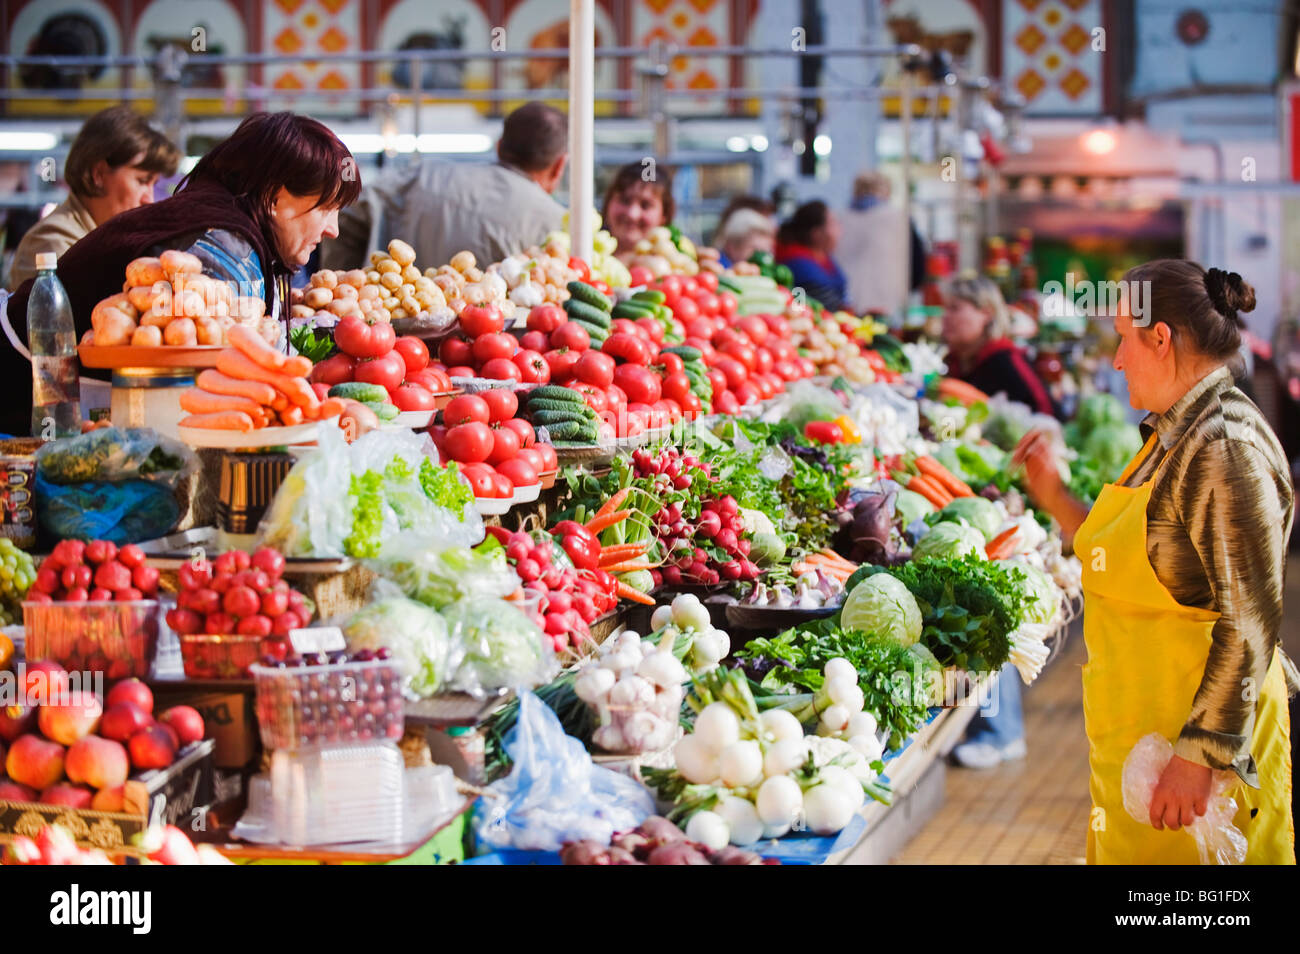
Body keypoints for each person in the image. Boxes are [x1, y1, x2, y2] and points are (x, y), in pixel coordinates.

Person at [1014, 260, 1296, 865]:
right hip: (1148, 746)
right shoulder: (1175, 432)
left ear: (1160, 338)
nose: (1117, 360)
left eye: (1123, 337)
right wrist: (1057, 498)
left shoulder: (1223, 445)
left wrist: (1201, 755)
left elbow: (1250, 619)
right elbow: (1145, 555)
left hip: (1197, 763)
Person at [2, 111, 359, 436]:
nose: (334, 230)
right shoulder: (222, 244)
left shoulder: (223, 222)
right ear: (275, 197)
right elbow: (213, 381)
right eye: (327, 208)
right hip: (22, 396)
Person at [320, 102, 567, 271]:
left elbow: (347, 213)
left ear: (500, 147)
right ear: (559, 166)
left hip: (385, 340)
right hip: (497, 346)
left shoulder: (424, 174)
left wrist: (349, 289)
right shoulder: (557, 223)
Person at [8, 106, 181, 289]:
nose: (149, 199)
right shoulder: (52, 244)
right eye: (141, 181)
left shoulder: (112, 241)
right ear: (98, 173)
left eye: (153, 184)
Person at [941, 275, 1057, 417]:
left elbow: (1046, 411)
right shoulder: (951, 362)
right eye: (945, 308)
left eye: (954, 308)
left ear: (986, 313)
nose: (945, 316)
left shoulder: (1005, 359)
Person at [837, 171, 925, 315]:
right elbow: (918, 263)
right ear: (886, 190)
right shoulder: (899, 218)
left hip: (847, 303)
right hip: (887, 303)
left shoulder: (839, 218)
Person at [774, 201, 848, 312]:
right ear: (816, 233)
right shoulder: (798, 264)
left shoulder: (823, 258)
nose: (839, 230)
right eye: (833, 223)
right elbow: (827, 308)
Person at [602, 162, 675, 265]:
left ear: (664, 215)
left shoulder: (680, 267)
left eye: (645, 205)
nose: (632, 214)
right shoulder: (579, 252)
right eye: (625, 200)